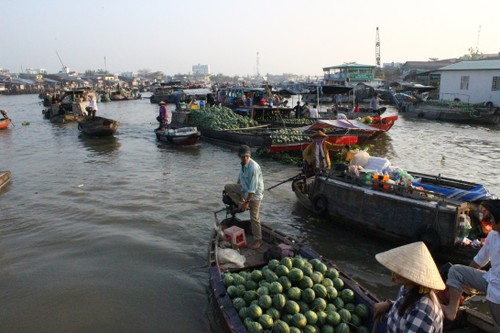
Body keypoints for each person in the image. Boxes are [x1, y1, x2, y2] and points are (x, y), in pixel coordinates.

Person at [441, 200, 500, 330]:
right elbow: (479, 260)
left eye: (490, 217)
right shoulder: (493, 236)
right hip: (491, 280)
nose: (488, 221)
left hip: (497, 290)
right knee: (456, 272)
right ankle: (452, 309)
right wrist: (464, 282)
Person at [373, 241, 445, 333]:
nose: (397, 270)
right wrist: (389, 305)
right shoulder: (407, 288)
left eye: (404, 269)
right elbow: (405, 306)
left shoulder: (423, 310)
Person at [224, 145, 265, 250]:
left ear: (249, 156)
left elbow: (253, 189)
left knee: (254, 218)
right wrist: (241, 200)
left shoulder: (253, 167)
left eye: (246, 156)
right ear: (240, 157)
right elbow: (240, 178)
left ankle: (258, 240)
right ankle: (240, 203)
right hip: (244, 189)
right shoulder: (242, 165)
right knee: (228, 187)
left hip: (254, 195)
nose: (245, 159)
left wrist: (247, 202)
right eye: (243, 157)